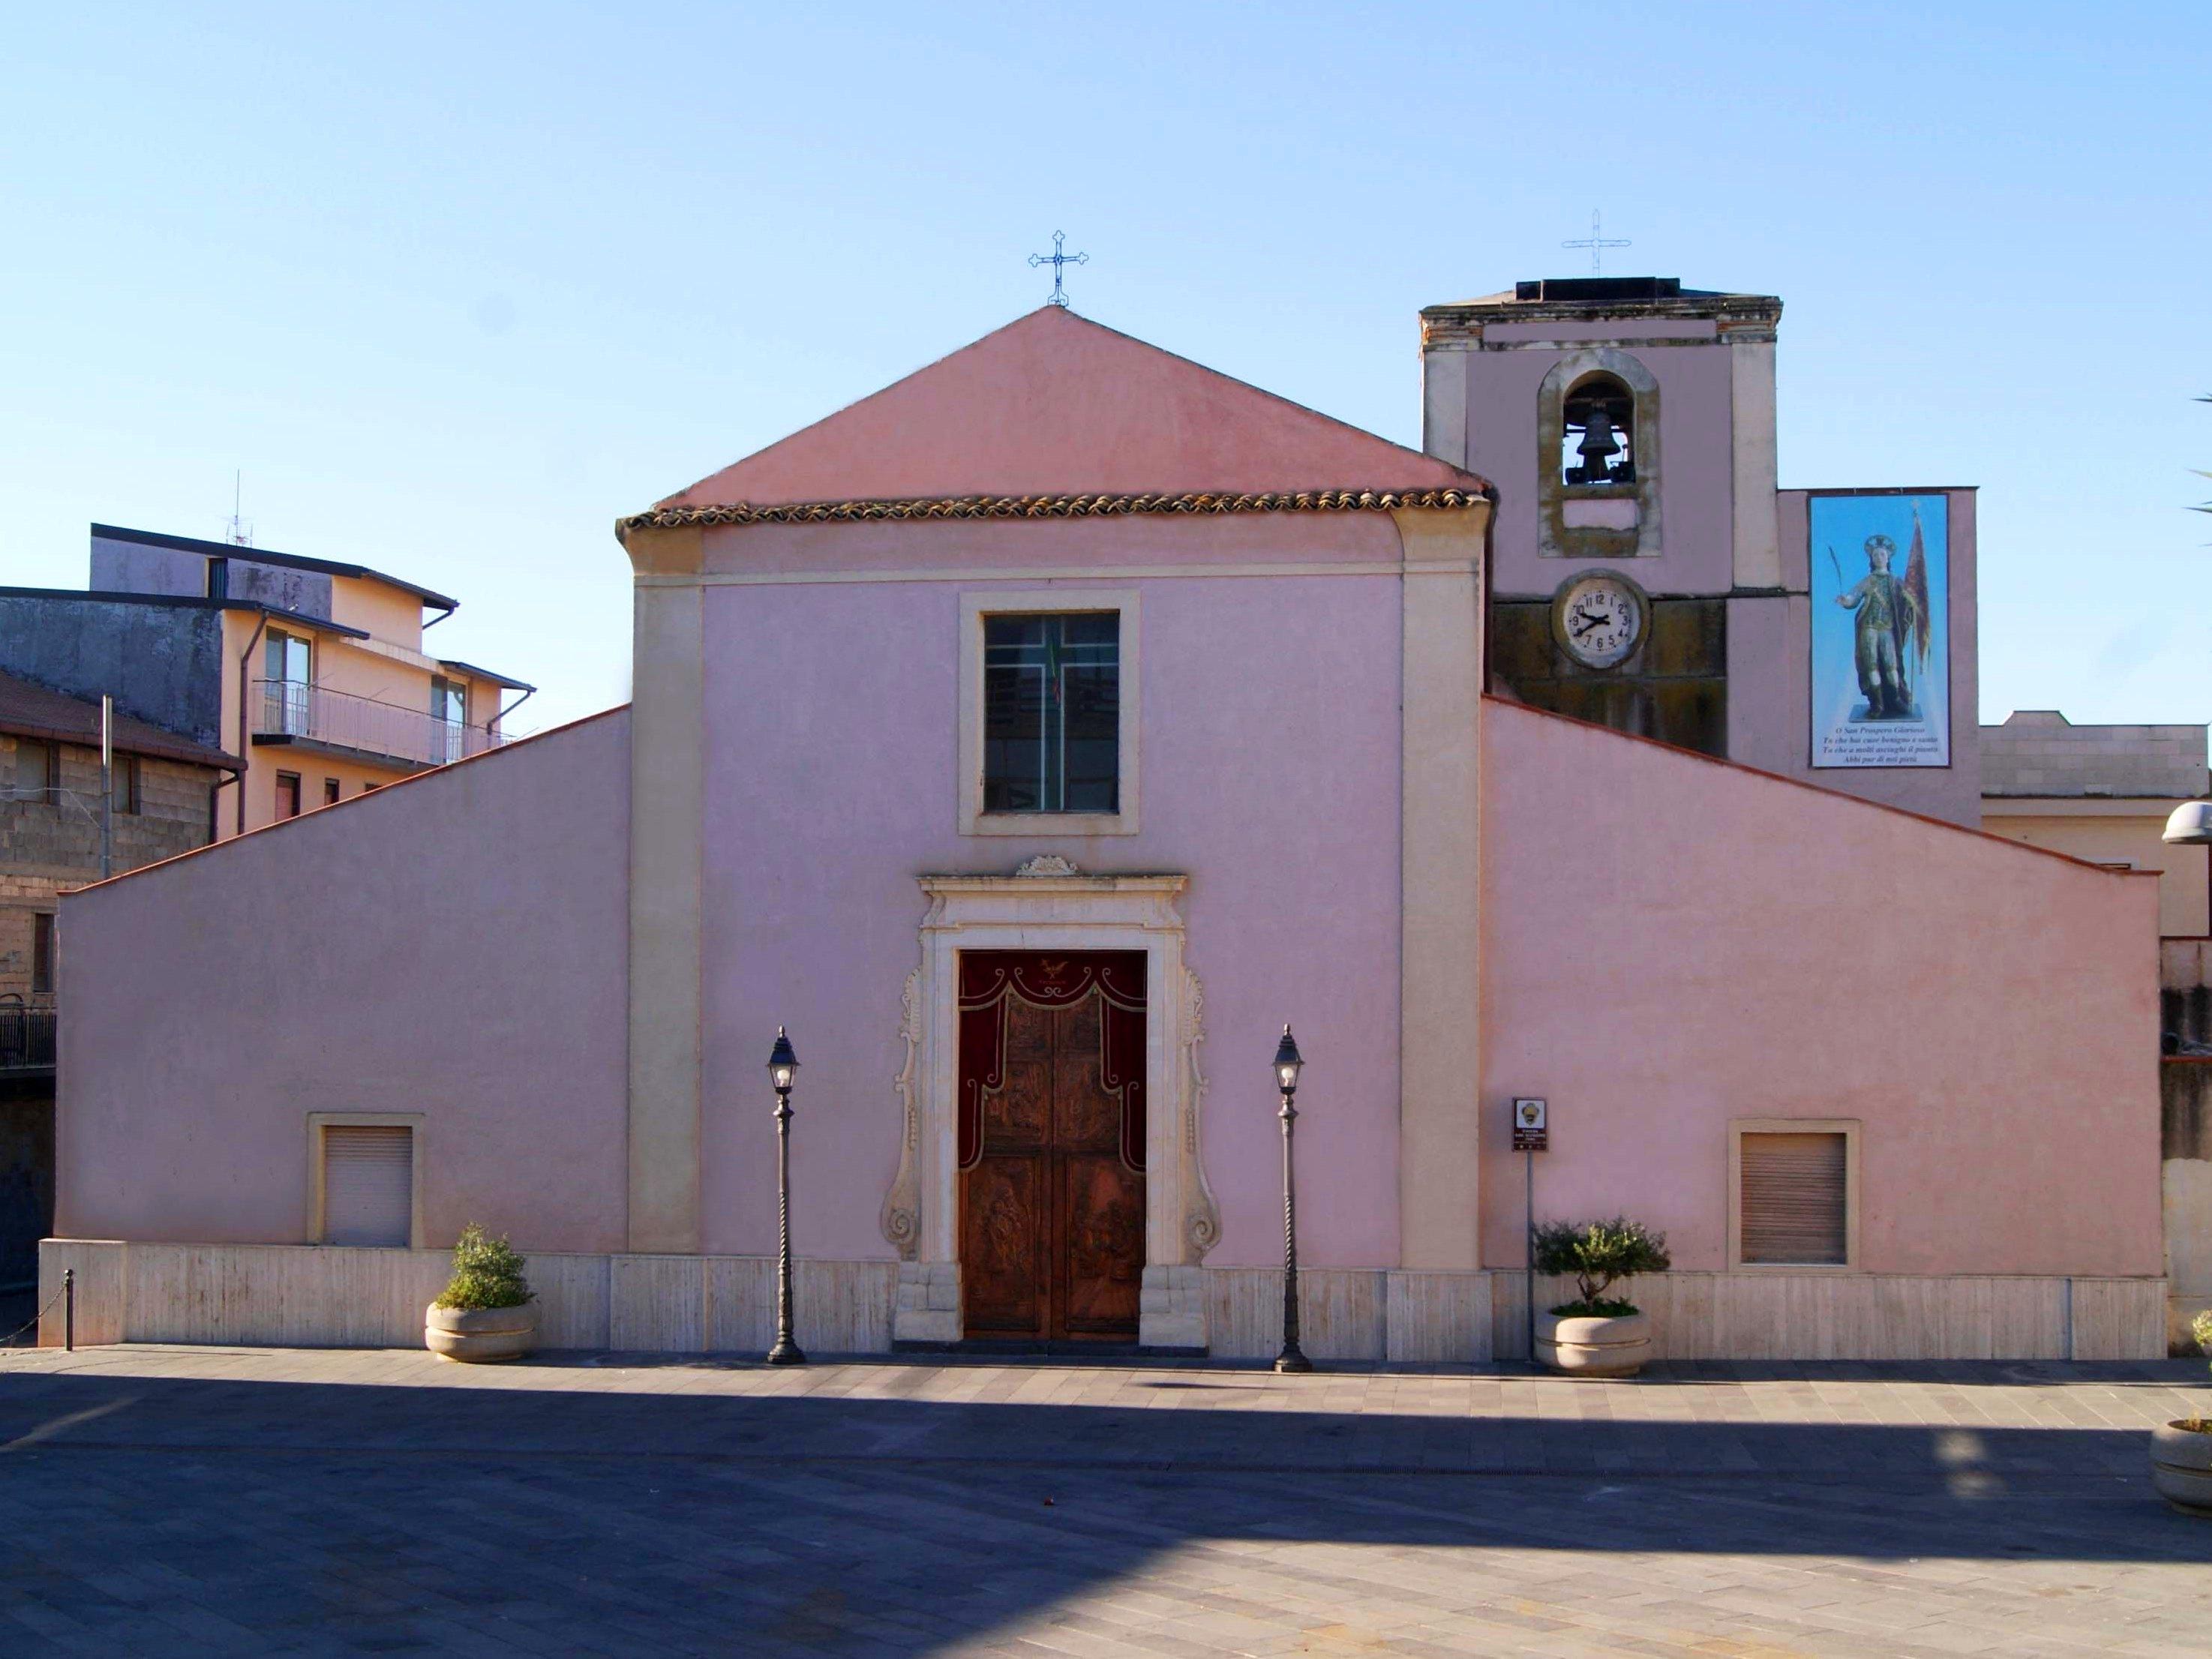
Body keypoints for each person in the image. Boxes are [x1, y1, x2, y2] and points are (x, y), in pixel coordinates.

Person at [1834, 534, 1921, 719]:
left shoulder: (1896, 582)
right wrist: (1845, 601)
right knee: (1871, 664)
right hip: (1869, 628)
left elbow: (1908, 602)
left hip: (1888, 628)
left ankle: (1896, 698)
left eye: (1882, 554)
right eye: (1876, 555)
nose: (1879, 557)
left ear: (1888, 558)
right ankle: (1878, 703)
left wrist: (1914, 605)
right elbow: (1854, 597)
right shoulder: (1867, 581)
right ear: (1872, 559)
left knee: (1891, 666)